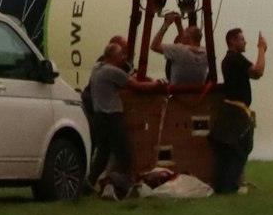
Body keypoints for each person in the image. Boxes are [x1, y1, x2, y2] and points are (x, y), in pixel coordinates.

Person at [85, 37, 156, 198]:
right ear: (113, 57)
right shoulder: (112, 71)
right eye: (121, 56)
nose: (123, 58)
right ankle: (125, 185)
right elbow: (137, 86)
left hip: (99, 117)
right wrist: (159, 84)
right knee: (125, 152)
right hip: (112, 117)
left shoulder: (97, 68)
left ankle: (88, 184)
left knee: (102, 154)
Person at [212, 27, 265, 194]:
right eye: (241, 39)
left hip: (232, 109)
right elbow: (258, 71)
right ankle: (230, 185)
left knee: (229, 149)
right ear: (233, 41)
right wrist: (262, 50)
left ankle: (223, 184)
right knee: (242, 147)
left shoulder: (230, 60)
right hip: (238, 110)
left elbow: (254, 75)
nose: (245, 42)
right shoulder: (235, 58)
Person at [150, 12, 209, 87]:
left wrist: (166, 24)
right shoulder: (206, 53)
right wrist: (179, 25)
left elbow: (154, 46)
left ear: (187, 38)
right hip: (198, 93)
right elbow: (185, 44)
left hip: (177, 93)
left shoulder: (179, 50)